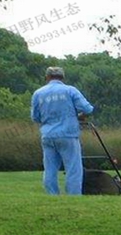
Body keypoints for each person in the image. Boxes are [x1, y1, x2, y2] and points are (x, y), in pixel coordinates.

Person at [30, 66, 94, 195]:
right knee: (73, 168)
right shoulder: (70, 90)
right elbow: (87, 109)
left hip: (47, 135)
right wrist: (78, 116)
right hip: (68, 134)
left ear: (47, 77)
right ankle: (73, 196)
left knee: (50, 169)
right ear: (63, 77)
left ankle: (52, 195)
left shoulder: (38, 93)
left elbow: (35, 117)